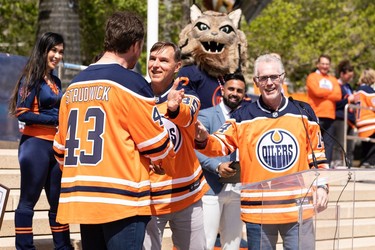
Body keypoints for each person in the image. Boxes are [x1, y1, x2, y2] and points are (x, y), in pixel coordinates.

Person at [53, 12, 175, 250]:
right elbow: (158, 146)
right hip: (122, 199)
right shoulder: (132, 84)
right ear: (135, 45)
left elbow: (59, 150)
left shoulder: (73, 85)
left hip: (83, 198)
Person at [195, 54, 329, 250]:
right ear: (256, 82)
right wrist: (202, 138)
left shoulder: (303, 111)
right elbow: (220, 145)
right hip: (259, 211)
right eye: (263, 78)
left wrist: (322, 186)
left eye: (274, 77)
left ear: (282, 78)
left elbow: (317, 154)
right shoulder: (243, 115)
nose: (269, 83)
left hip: (298, 207)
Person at [8, 32, 73, 250]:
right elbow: (22, 112)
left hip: (55, 146)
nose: (57, 55)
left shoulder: (55, 80)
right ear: (43, 50)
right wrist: (56, 118)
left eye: (60, 52)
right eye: (53, 50)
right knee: (28, 201)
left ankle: (63, 247)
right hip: (34, 145)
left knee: (58, 203)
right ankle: (25, 247)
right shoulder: (30, 77)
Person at [143, 41, 208, 250]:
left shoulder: (188, 96)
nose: (156, 65)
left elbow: (188, 117)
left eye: (163, 60)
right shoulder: (137, 97)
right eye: (152, 59)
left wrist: (173, 108)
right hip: (151, 198)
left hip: (187, 195)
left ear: (177, 66)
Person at [195, 72, 247, 249]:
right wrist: (217, 166)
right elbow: (195, 149)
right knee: (206, 242)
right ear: (222, 90)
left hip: (239, 188)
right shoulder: (206, 115)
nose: (234, 93)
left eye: (239, 90)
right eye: (231, 89)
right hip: (212, 188)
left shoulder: (247, 118)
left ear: (244, 94)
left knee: (233, 243)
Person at [306, 54, 342, 166]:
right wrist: (330, 93)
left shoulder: (333, 79)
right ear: (318, 64)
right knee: (313, 142)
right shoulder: (312, 77)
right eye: (322, 63)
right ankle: (312, 165)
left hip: (330, 116)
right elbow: (316, 91)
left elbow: (338, 95)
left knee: (328, 144)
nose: (325, 66)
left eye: (327, 64)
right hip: (315, 114)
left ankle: (326, 167)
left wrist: (323, 93)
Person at [331, 60, 355, 167]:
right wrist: (348, 100)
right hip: (340, 118)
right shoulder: (336, 85)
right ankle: (336, 163)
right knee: (339, 143)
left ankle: (348, 165)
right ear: (342, 73)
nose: (350, 79)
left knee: (349, 145)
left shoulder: (348, 87)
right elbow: (335, 103)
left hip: (350, 119)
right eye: (348, 76)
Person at [354, 68, 375, 168]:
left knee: (366, 147)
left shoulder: (358, 90)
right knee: (371, 146)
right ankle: (369, 163)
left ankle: (364, 162)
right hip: (370, 122)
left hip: (360, 122)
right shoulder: (368, 90)